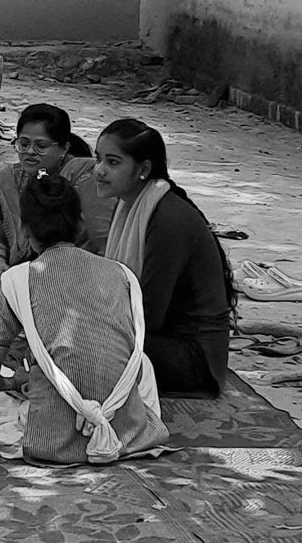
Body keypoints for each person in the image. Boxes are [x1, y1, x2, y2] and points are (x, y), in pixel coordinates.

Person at [0, 174, 169, 464]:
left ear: (25, 231)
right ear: (81, 223)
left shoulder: (14, 280)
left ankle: (66, 433)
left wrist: (15, 383)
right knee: (142, 363)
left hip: (53, 435)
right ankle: (120, 427)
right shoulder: (122, 274)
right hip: (127, 427)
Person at [94, 118, 236, 398]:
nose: (98, 170)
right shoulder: (128, 206)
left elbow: (149, 316)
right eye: (97, 159)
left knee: (84, 345)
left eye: (112, 162)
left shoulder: (167, 220)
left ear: (143, 169)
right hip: (157, 339)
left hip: (193, 358)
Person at [0, 104, 114, 313]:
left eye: (41, 146)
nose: (30, 152)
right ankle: (9, 314)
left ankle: (13, 316)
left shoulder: (84, 178)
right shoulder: (4, 182)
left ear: (64, 149)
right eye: (23, 144)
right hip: (18, 274)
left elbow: (101, 245)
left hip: (67, 274)